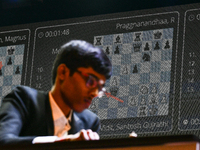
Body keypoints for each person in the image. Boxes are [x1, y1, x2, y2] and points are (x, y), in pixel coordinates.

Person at [0, 40, 112, 145]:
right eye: (91, 81)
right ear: (63, 72)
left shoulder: (90, 122)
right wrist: (63, 142)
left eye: (100, 88)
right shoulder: (23, 99)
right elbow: (3, 141)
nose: (95, 93)